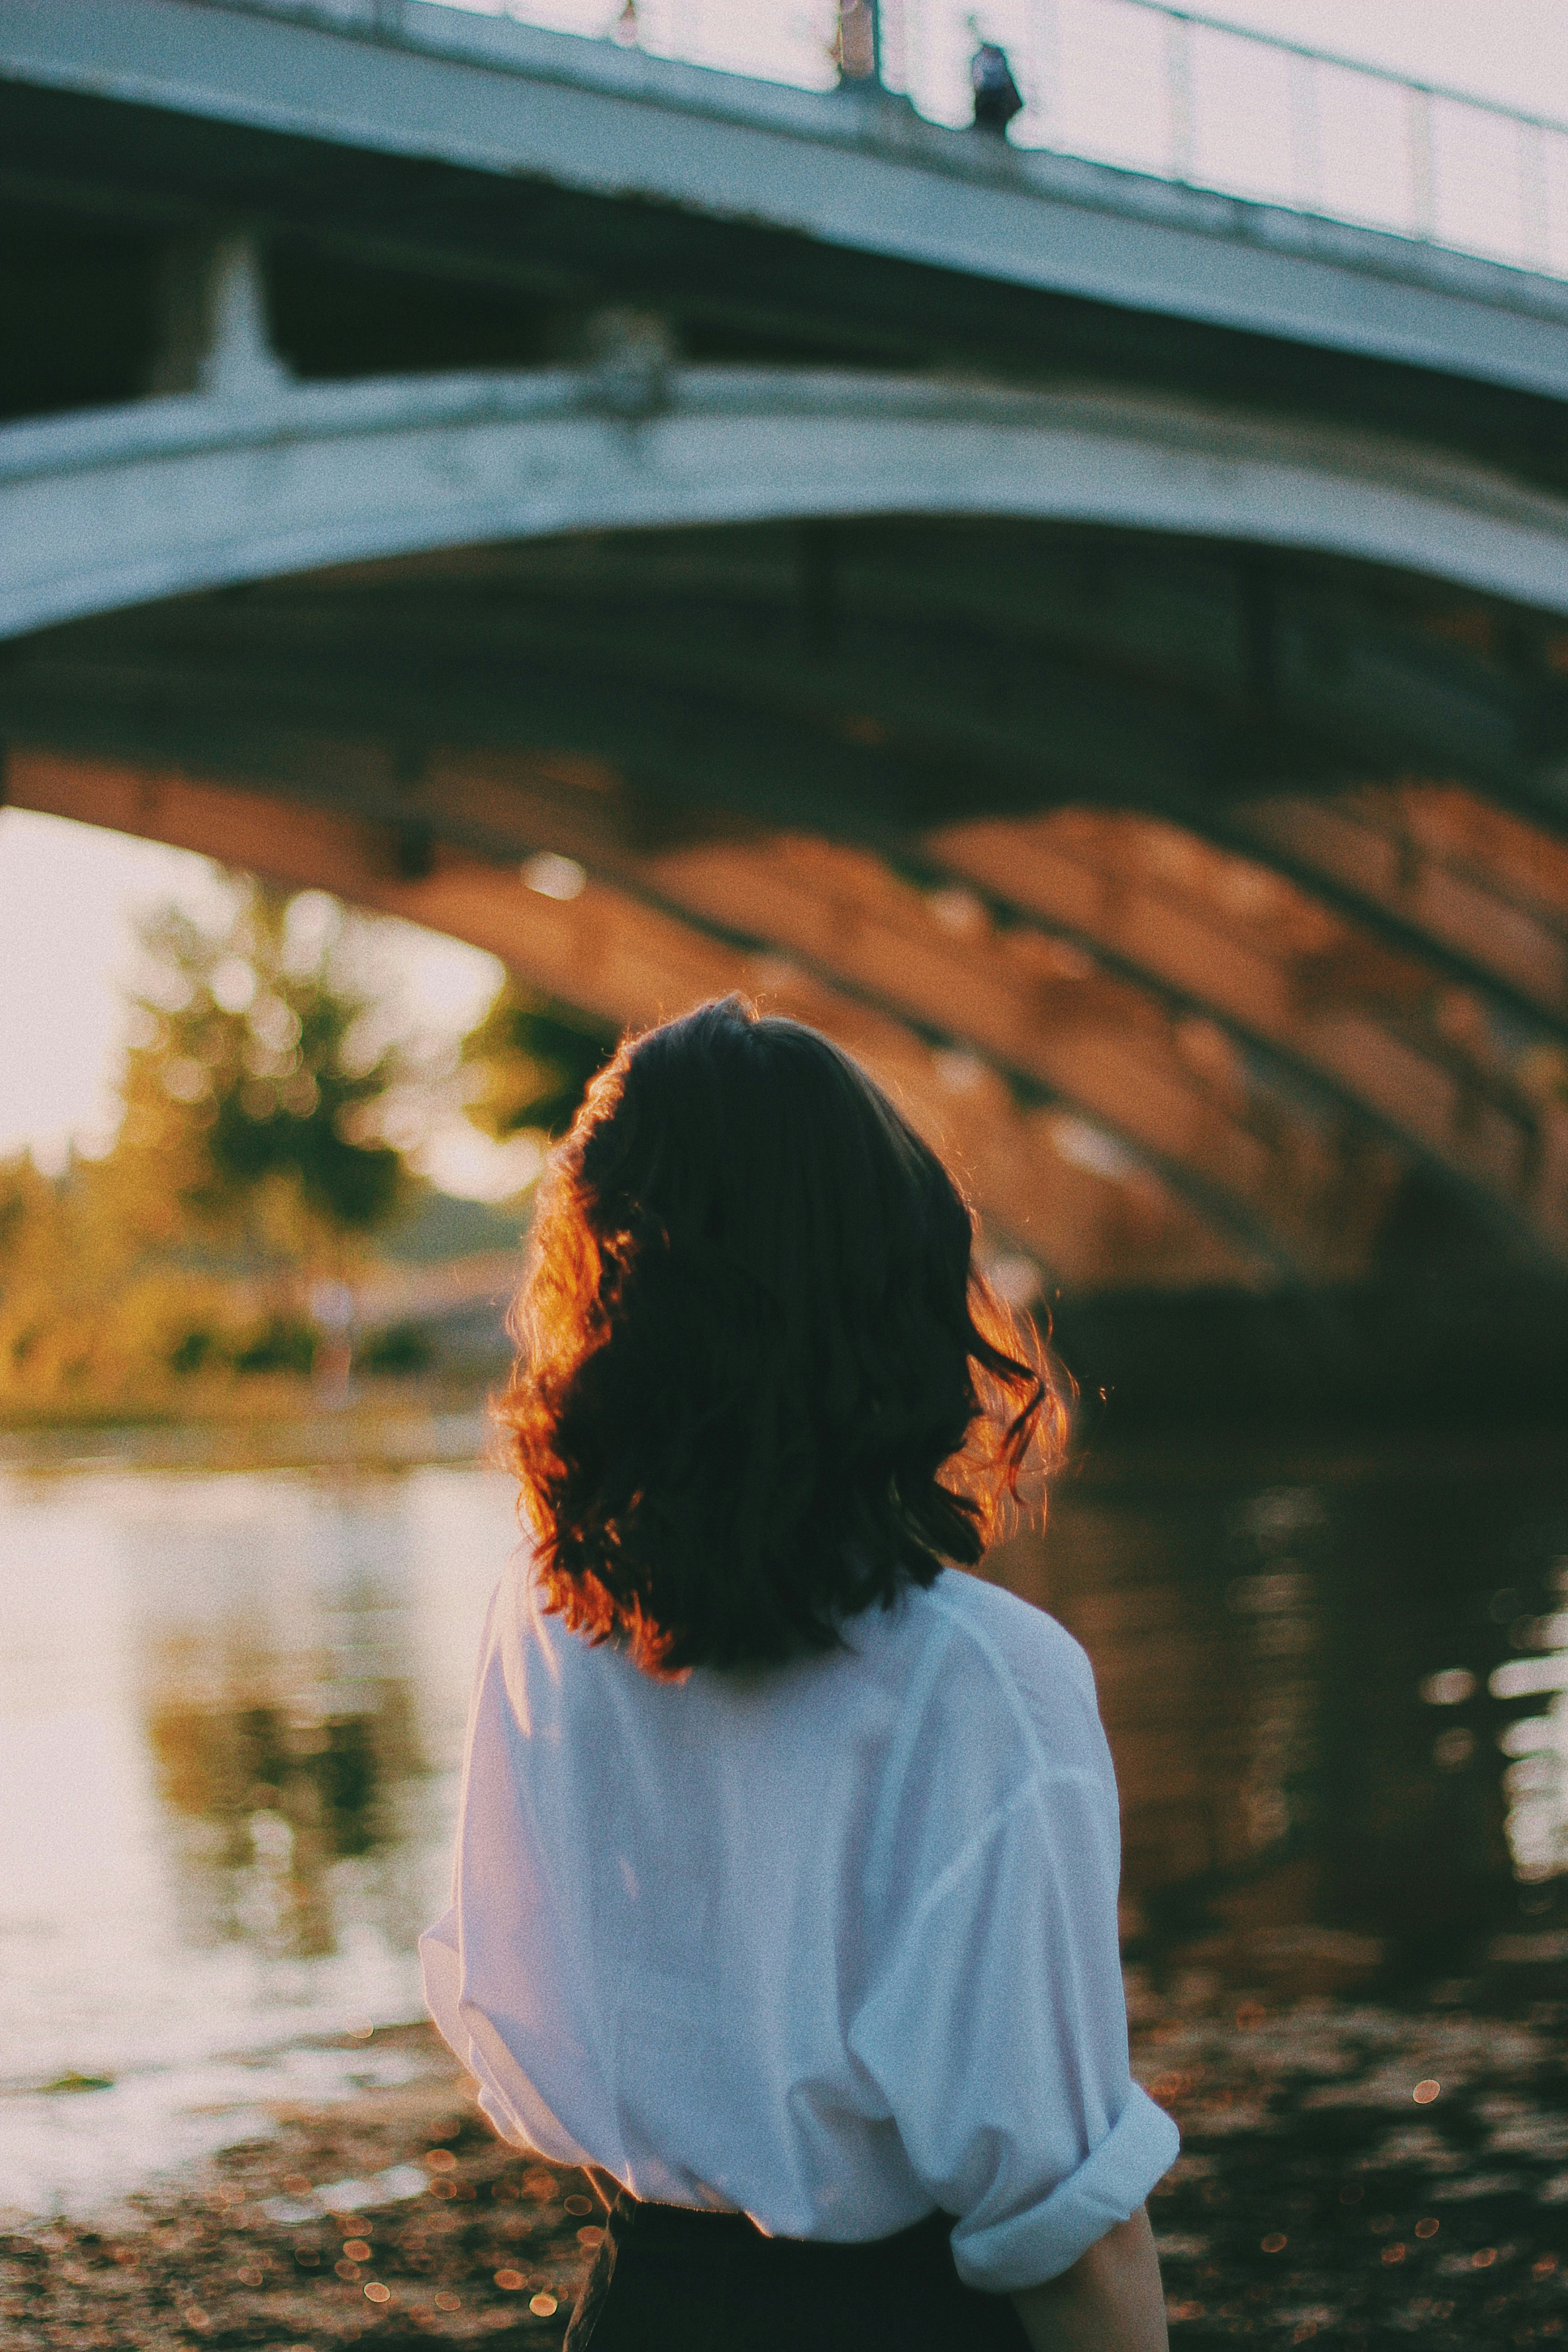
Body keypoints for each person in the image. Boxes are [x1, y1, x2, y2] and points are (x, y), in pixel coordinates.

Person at [421, 997, 1176, 2350]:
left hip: (643, 2309)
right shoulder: (984, 1687)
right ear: (895, 1288)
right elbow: (1068, 2230)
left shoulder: (538, 1627)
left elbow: (518, 2017)